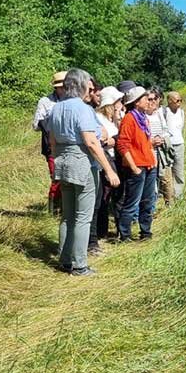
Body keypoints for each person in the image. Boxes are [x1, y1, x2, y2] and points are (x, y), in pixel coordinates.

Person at [45, 68, 120, 275]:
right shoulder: (83, 109)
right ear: (81, 85)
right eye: (89, 85)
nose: (91, 89)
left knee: (67, 216)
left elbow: (51, 141)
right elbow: (91, 142)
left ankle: (65, 259)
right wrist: (109, 171)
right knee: (83, 217)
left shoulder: (56, 109)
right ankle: (79, 264)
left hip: (63, 162)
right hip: (83, 164)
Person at [115, 86, 158, 242]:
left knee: (148, 201)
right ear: (136, 102)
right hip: (137, 167)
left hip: (149, 165)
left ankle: (145, 232)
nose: (149, 101)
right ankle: (124, 235)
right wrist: (133, 167)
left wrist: (153, 160)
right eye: (146, 98)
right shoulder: (129, 119)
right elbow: (122, 145)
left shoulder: (143, 118)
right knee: (132, 202)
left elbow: (146, 142)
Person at [92, 86, 124, 253]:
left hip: (115, 158)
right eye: (117, 101)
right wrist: (109, 140)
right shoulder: (98, 118)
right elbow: (101, 140)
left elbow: (118, 135)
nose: (120, 104)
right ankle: (100, 231)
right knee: (103, 197)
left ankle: (114, 229)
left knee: (115, 195)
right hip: (105, 160)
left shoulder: (113, 119)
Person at [33, 71, 67, 215]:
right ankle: (54, 209)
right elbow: (35, 125)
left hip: (68, 145)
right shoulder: (45, 101)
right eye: (61, 86)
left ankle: (65, 207)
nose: (64, 89)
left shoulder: (74, 101)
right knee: (56, 176)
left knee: (67, 177)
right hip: (51, 146)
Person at [144, 89, 175, 206]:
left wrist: (163, 139)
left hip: (161, 152)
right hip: (149, 152)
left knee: (166, 179)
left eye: (154, 99)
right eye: (149, 99)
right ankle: (152, 206)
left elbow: (165, 130)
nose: (152, 102)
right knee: (151, 182)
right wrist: (151, 142)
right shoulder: (143, 115)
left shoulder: (159, 114)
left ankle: (169, 204)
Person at [162, 91, 186, 201]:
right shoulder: (164, 112)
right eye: (177, 100)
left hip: (179, 144)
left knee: (179, 172)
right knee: (166, 174)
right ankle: (167, 198)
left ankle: (179, 197)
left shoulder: (181, 112)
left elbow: (181, 128)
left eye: (180, 100)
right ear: (170, 101)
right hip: (167, 146)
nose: (179, 103)